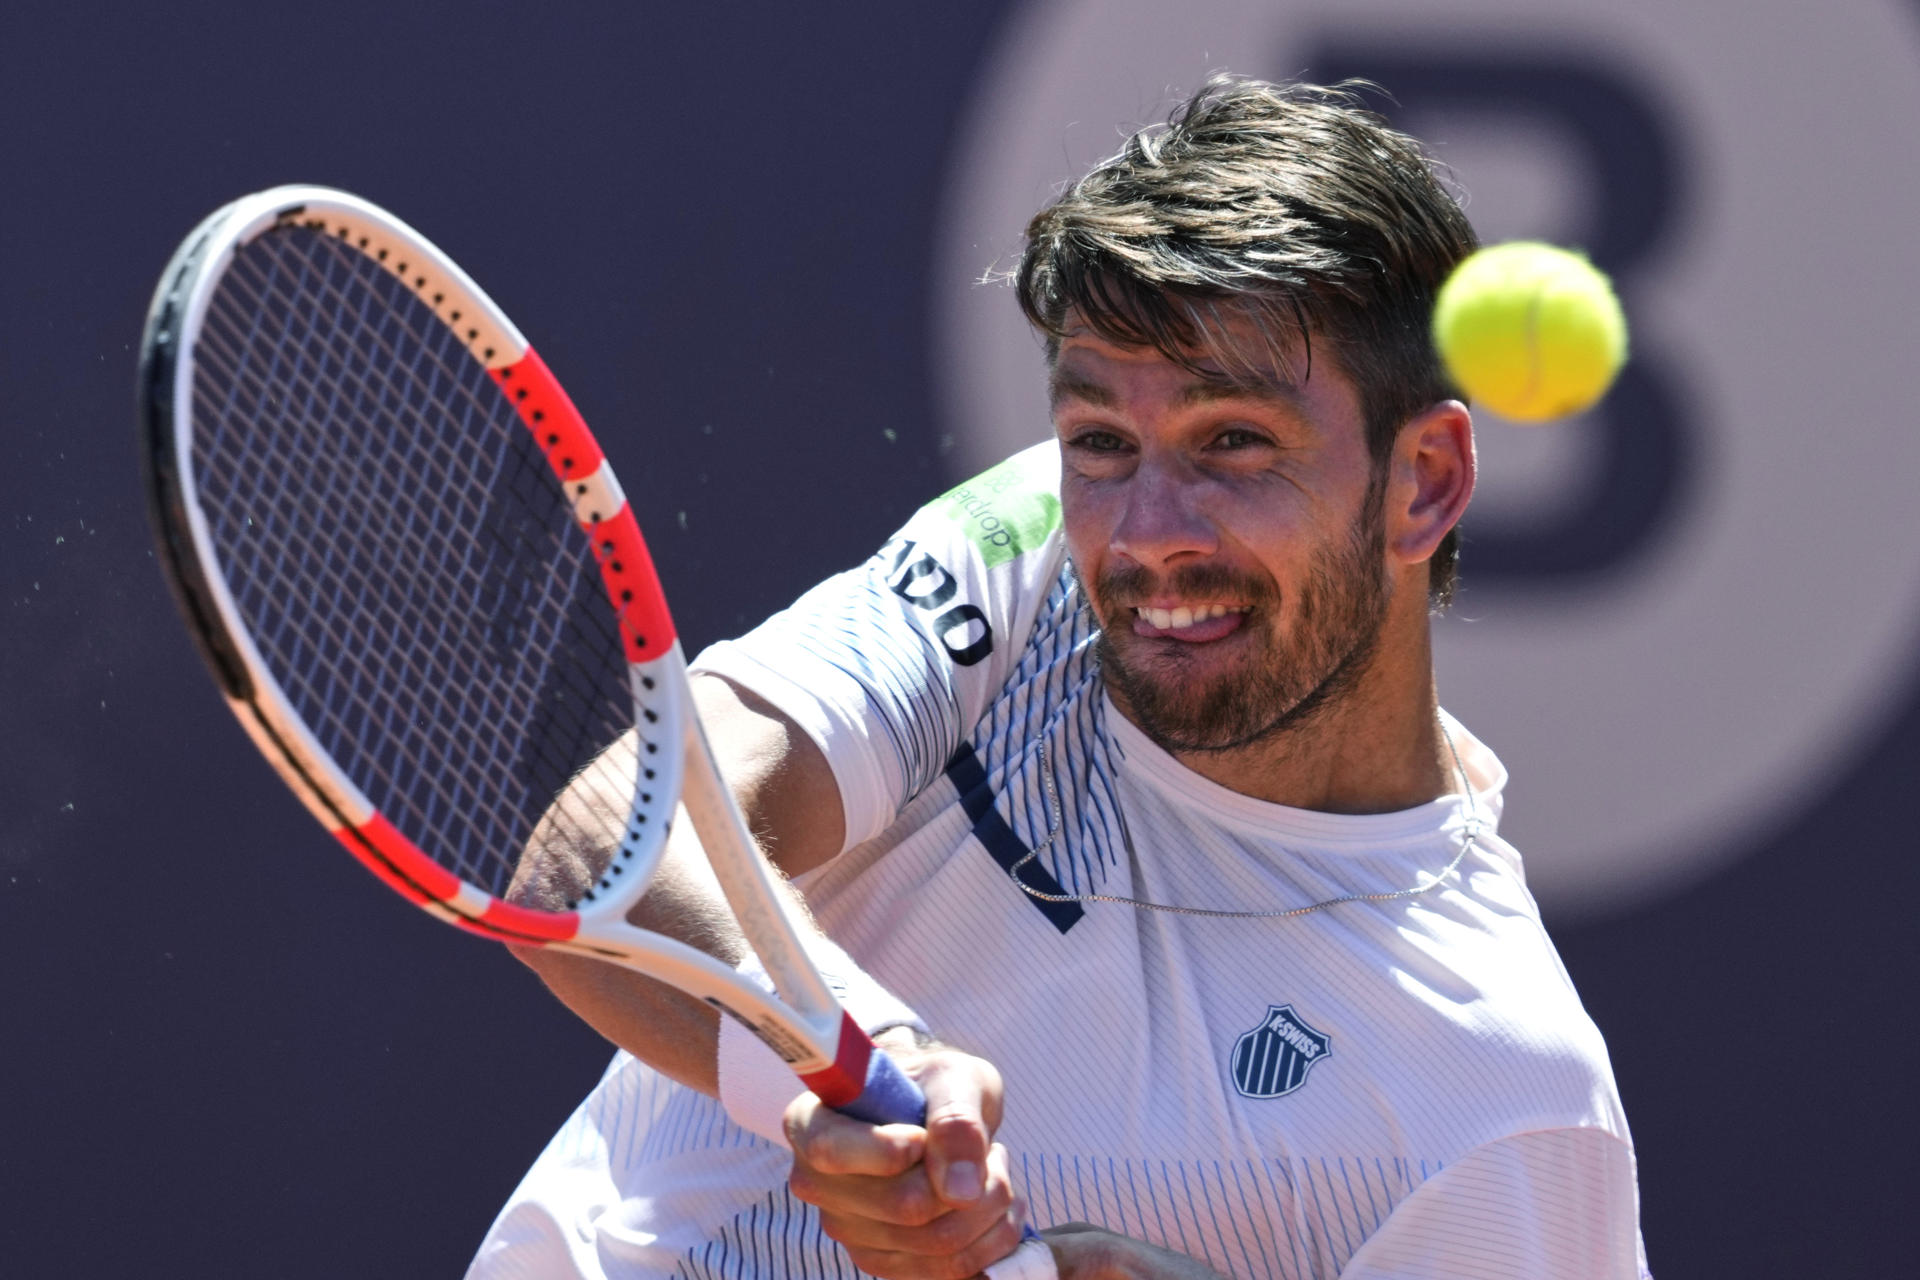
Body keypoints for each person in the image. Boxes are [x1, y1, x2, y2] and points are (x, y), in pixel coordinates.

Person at [467, 77, 1648, 1280]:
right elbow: (599, 840)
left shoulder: (1505, 1096)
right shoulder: (1027, 551)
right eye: (1100, 441)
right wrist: (861, 1050)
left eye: (1232, 441)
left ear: (1425, 483)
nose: (1143, 532)